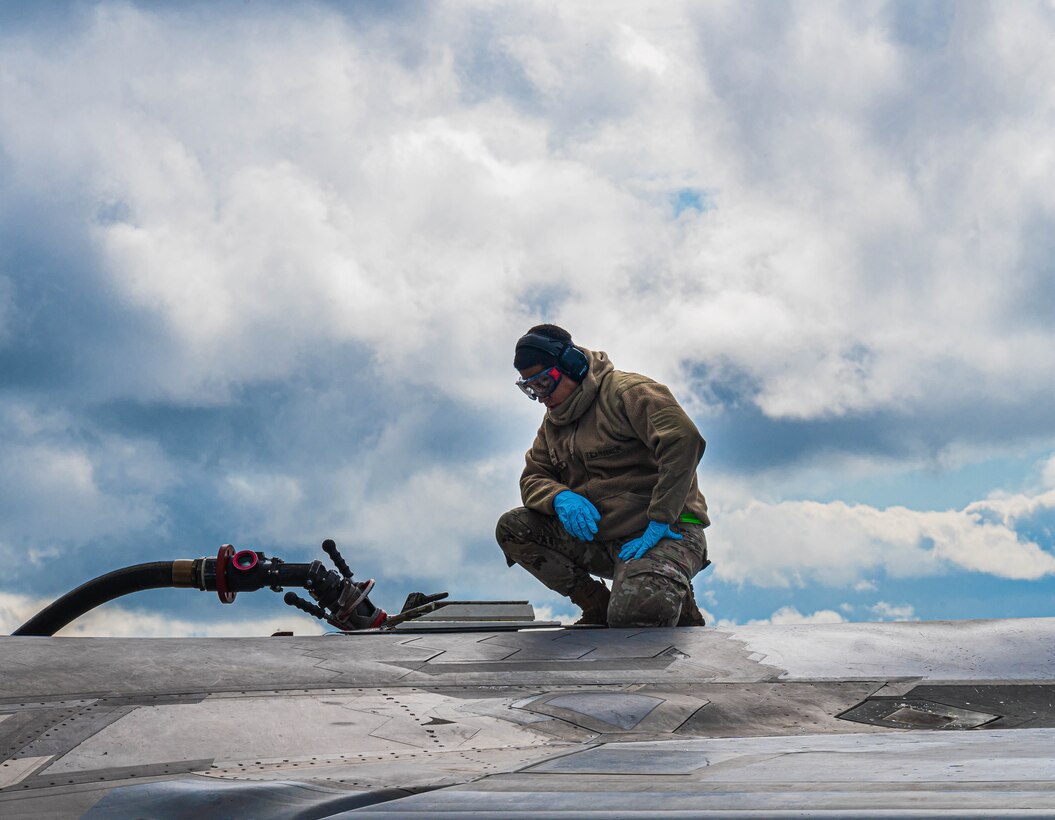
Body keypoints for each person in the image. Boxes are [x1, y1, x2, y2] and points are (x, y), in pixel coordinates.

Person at [496, 324, 710, 627]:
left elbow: (683, 440)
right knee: (513, 528)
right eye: (531, 388)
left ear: (571, 366)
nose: (541, 396)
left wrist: (661, 517)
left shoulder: (628, 393)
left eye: (544, 382)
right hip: (606, 541)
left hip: (665, 534)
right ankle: (598, 605)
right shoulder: (553, 425)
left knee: (636, 619)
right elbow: (533, 476)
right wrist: (559, 497)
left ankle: (665, 588)